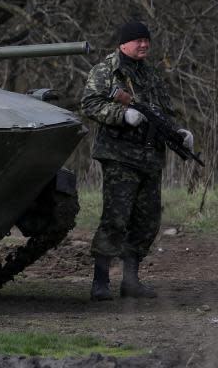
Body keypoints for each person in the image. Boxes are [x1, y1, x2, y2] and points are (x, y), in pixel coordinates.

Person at [81, 21, 194, 301]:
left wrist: (178, 133)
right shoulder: (106, 70)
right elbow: (89, 104)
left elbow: (163, 111)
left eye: (147, 40)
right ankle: (100, 282)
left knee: (147, 222)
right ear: (123, 43)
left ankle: (131, 281)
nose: (143, 44)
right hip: (119, 157)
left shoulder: (150, 74)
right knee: (115, 219)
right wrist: (121, 115)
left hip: (150, 159)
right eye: (138, 40)